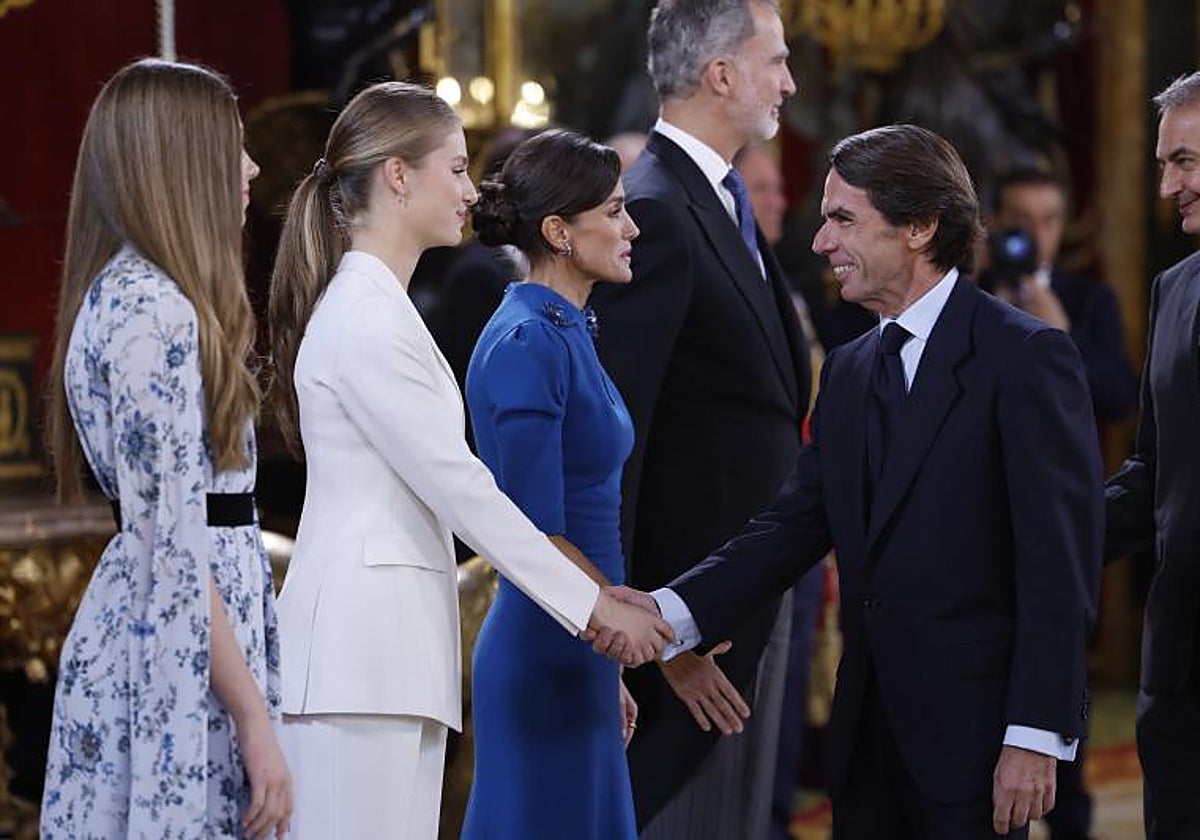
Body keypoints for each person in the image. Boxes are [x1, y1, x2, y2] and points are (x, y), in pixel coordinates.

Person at [612, 123, 1103, 838]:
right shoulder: (847, 370)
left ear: (920, 227)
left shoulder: (1025, 357)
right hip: (867, 735)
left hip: (976, 736)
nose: (820, 243)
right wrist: (667, 612)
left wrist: (1036, 733)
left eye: (843, 219)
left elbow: (1058, 565)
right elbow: (790, 527)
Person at [266, 82, 671, 839]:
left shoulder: (382, 308)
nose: (470, 191)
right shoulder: (364, 316)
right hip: (359, 661)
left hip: (388, 660)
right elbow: (464, 490)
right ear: (397, 176)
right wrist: (595, 608)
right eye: (454, 169)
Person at [40, 59, 292, 839]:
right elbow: (175, 543)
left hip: (189, 636)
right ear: (182, 161)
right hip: (178, 657)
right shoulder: (151, 310)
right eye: (233, 146)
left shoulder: (143, 297)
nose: (251, 168)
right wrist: (252, 718)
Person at [589, 2, 812, 835]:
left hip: (743, 598)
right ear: (721, 74)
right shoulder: (657, 210)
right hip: (691, 626)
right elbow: (621, 443)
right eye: (775, 60)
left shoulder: (714, 198)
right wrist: (659, 630)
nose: (789, 83)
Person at [460, 128, 680, 840]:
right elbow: (531, 531)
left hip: (582, 647)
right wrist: (616, 619)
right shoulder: (527, 340)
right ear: (559, 232)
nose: (632, 228)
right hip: (546, 650)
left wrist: (605, 665)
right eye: (614, 211)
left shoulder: (565, 328)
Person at [1105, 70, 1200, 839]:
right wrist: (1047, 532)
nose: (1168, 186)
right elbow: (1154, 476)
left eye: (1186, 162)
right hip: (1181, 669)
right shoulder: (1174, 290)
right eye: (1165, 164)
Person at [735, 141, 830, 840]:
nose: (779, 200)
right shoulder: (731, 281)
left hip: (799, 516)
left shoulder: (784, 283)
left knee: (788, 700)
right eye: (761, 187)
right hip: (747, 526)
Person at [984, 167, 1138, 427]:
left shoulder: (1092, 300)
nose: (1036, 234)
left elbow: (1120, 400)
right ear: (995, 222)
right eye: (1022, 220)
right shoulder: (967, 289)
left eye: (1049, 221)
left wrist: (1063, 334)